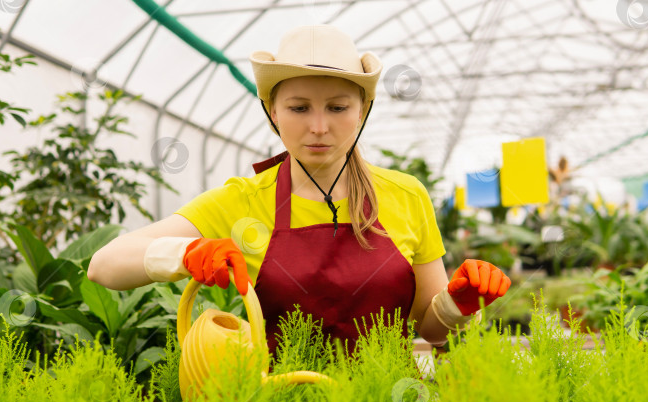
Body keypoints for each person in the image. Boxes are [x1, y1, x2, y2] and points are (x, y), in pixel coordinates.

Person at [87, 25, 511, 355]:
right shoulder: (244, 200)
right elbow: (104, 265)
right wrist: (184, 253)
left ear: (364, 110)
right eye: (299, 107)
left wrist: (459, 302)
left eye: (339, 107)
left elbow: (430, 330)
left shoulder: (405, 195)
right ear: (272, 110)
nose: (319, 128)